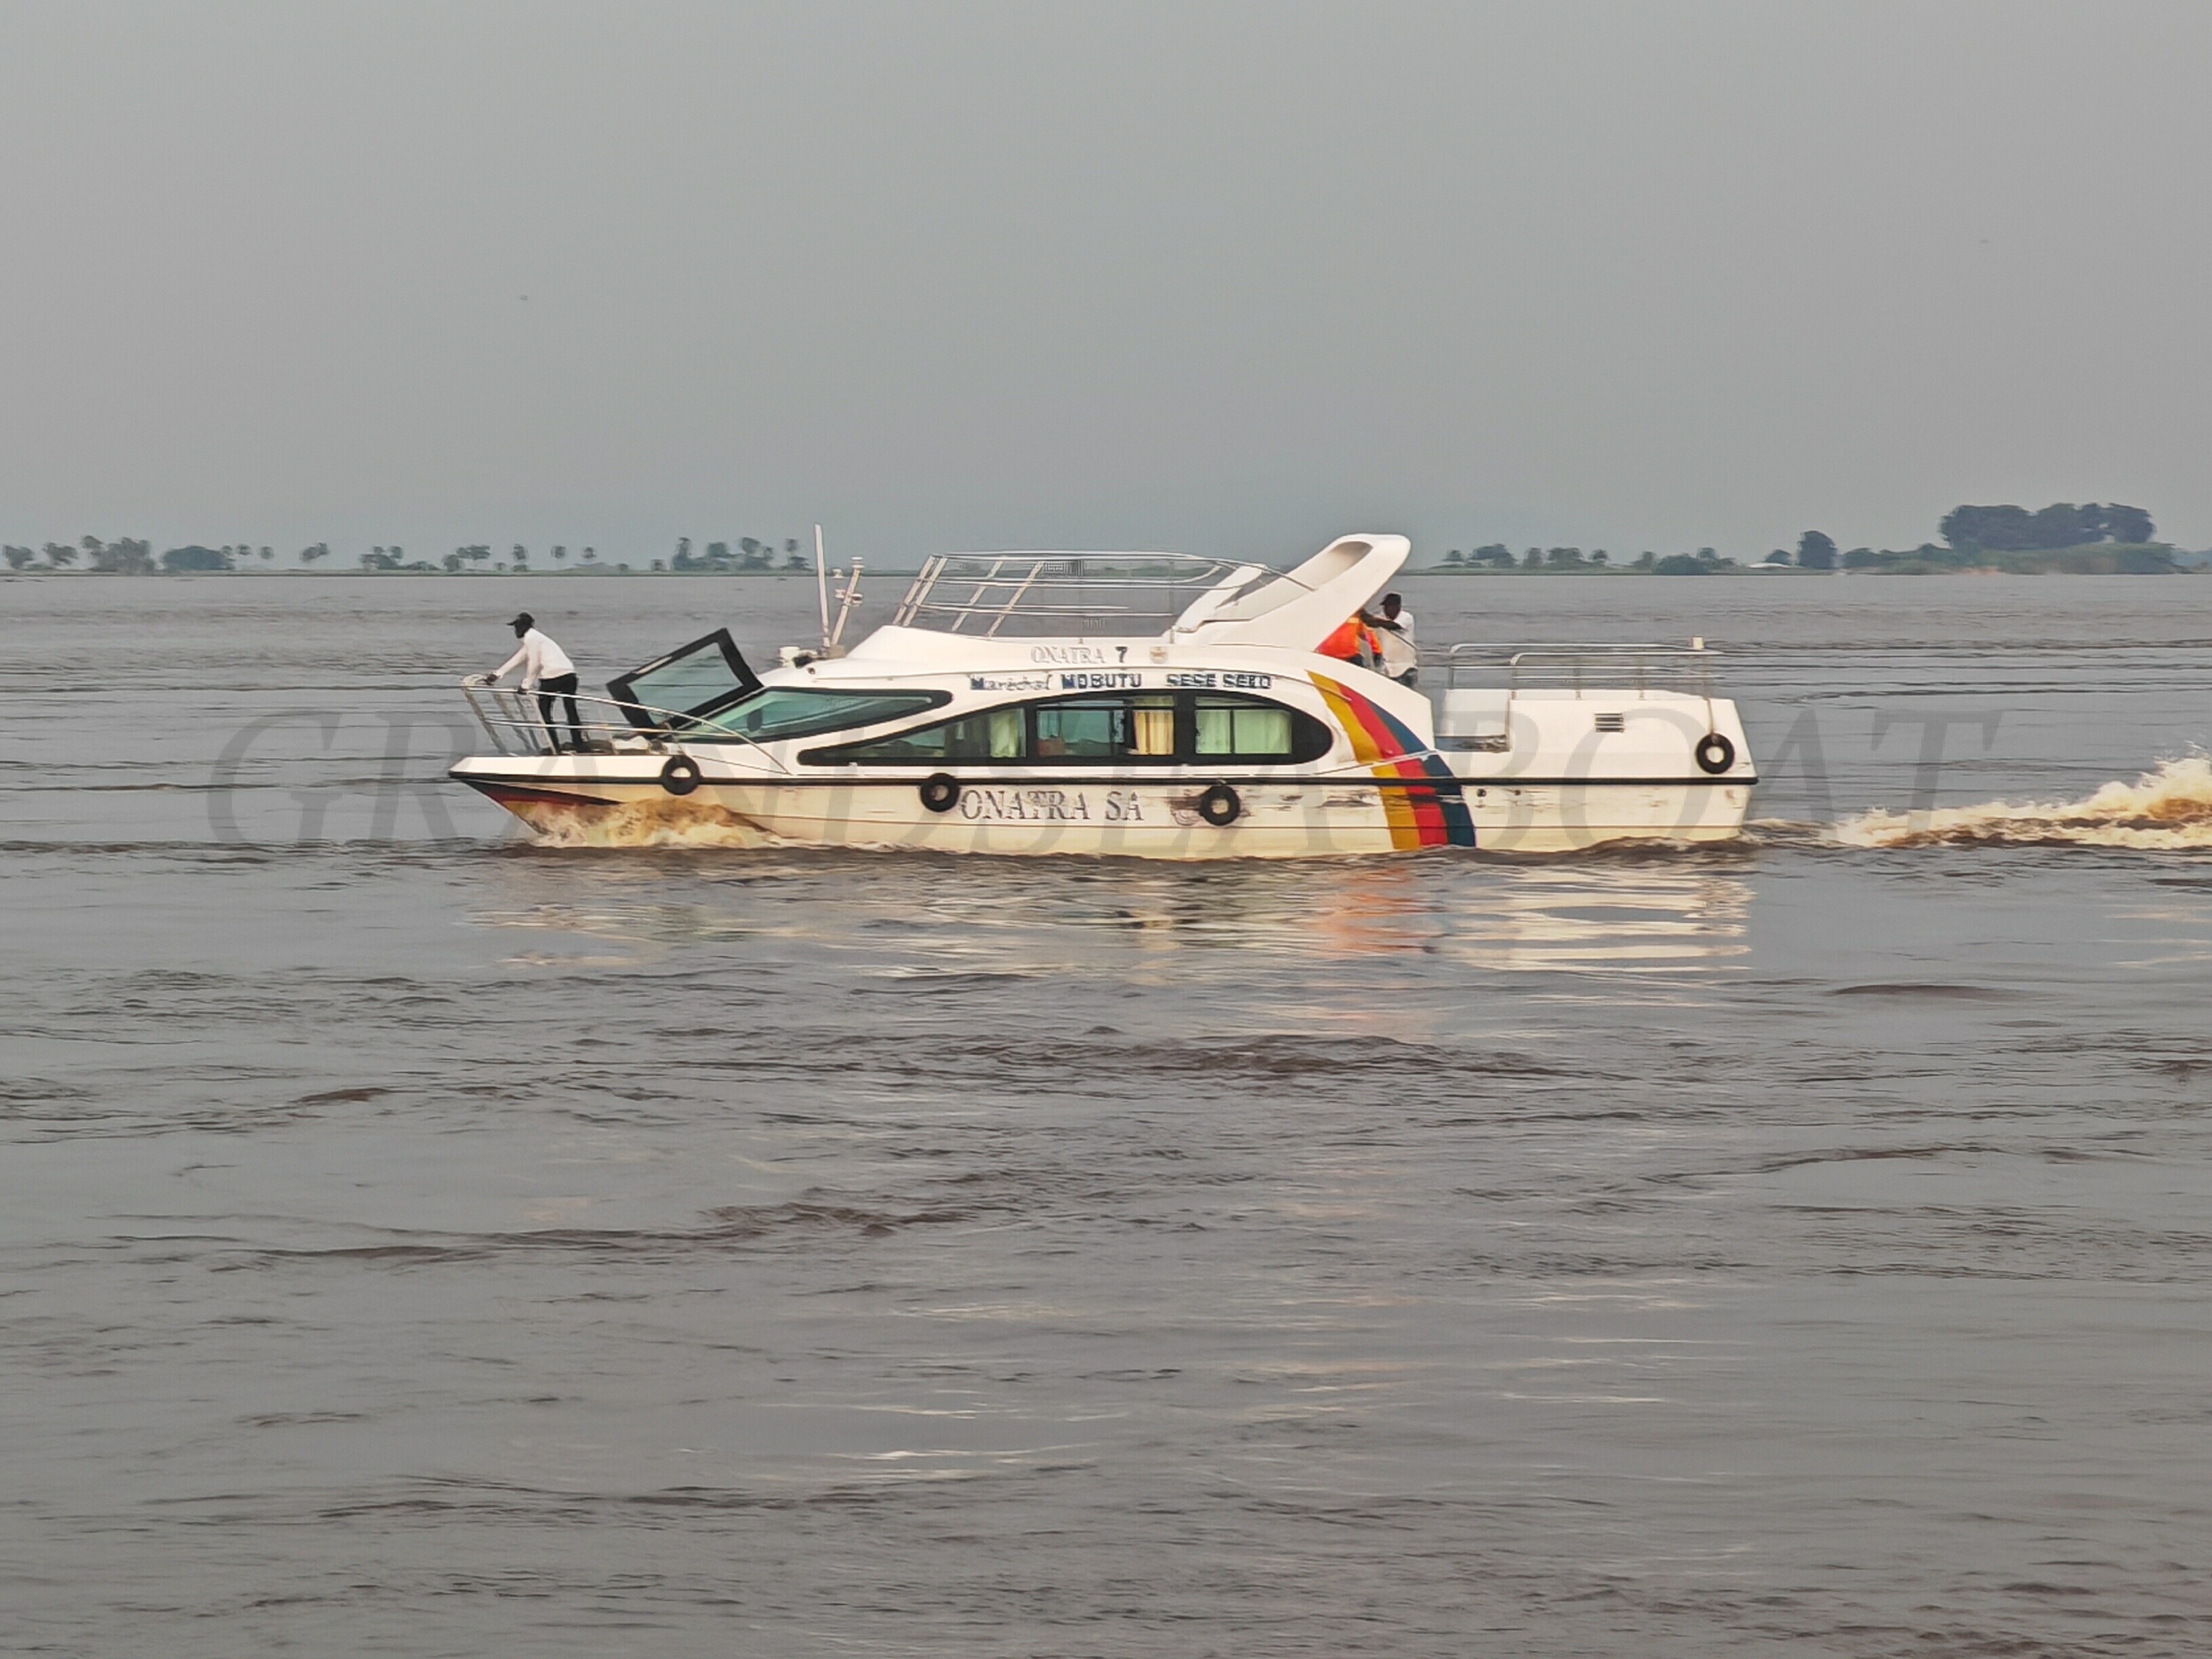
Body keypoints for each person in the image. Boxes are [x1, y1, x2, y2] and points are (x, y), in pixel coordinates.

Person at [476, 612, 584, 752]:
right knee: (570, 709)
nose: (516, 631)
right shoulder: (536, 638)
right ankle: (578, 743)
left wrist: (526, 685)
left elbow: (534, 663)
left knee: (544, 711)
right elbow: (518, 658)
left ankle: (555, 747)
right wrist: (497, 674)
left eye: (517, 627)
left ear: (525, 627)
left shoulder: (531, 638)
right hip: (569, 675)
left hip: (553, 677)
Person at [1373, 592, 1418, 686]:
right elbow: (1371, 624)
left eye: (1389, 606)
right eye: (1385, 607)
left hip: (1406, 668)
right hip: (1388, 669)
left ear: (1398, 606)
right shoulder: (1381, 618)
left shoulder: (1406, 617)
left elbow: (1394, 626)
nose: (1386, 609)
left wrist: (1376, 622)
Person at [1317, 609, 1385, 668]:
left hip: (1350, 657)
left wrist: (1377, 651)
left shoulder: (1356, 612)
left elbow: (1365, 633)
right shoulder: (1323, 610)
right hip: (1327, 657)